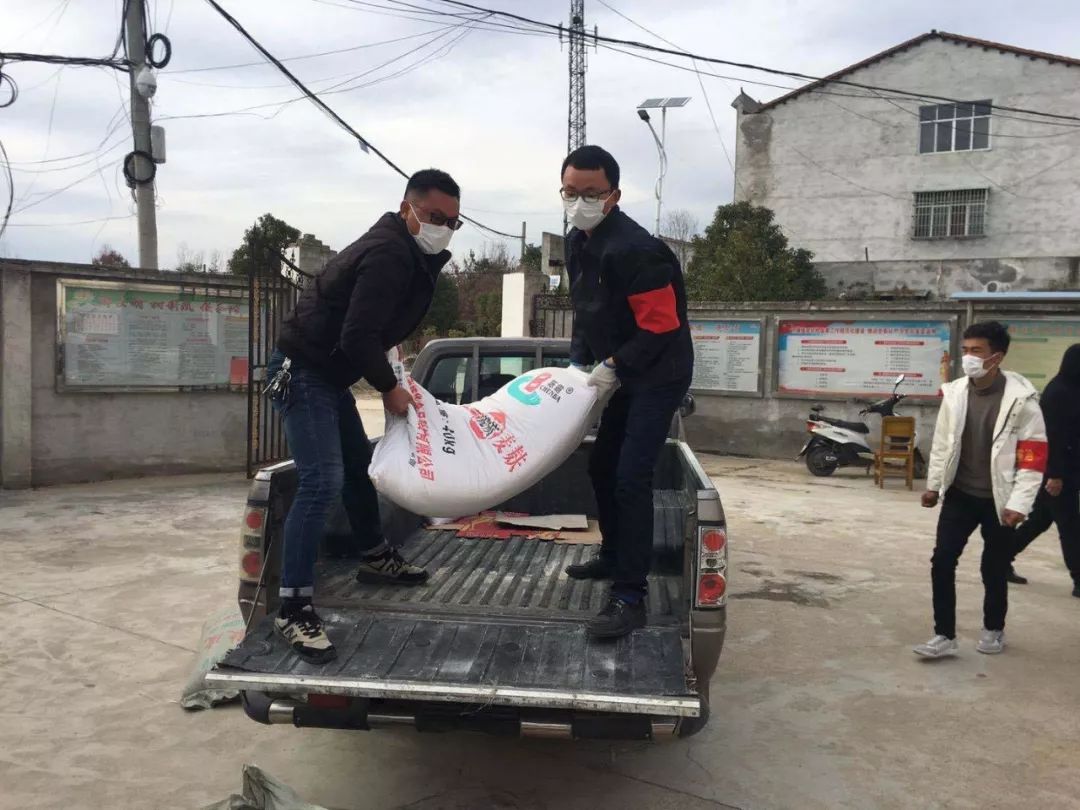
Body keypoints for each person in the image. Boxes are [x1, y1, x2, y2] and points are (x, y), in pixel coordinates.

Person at [267, 169, 461, 663]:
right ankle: (293, 606)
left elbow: (372, 327)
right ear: (407, 208)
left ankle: (375, 557)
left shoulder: (409, 255)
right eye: (435, 216)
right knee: (321, 481)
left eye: (452, 222)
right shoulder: (389, 254)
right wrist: (389, 388)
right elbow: (357, 335)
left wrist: (390, 367)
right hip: (303, 370)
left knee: (357, 466)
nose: (442, 228)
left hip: (328, 374)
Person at [559, 145, 694, 640]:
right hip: (618, 368)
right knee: (602, 465)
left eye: (591, 193)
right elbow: (585, 311)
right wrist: (579, 361)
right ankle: (614, 554)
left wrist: (614, 365)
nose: (579, 202)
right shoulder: (577, 242)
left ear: (613, 195)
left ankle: (630, 595)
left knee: (631, 476)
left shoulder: (639, 251)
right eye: (570, 192)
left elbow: (660, 326)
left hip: (658, 373)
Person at [915, 321, 1047, 658]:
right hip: (960, 494)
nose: (968, 357)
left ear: (996, 357)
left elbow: (1032, 460)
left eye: (976, 351)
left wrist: (1019, 504)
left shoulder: (1023, 402)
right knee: (942, 560)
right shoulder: (956, 393)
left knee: (993, 566)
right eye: (965, 350)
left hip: (999, 501)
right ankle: (944, 634)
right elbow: (943, 443)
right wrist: (934, 486)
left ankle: (993, 628)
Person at [1009, 343, 1080, 596]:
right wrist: (1054, 475)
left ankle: (1000, 557)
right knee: (1070, 526)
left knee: (1040, 520)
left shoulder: (1073, 389)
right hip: (1057, 474)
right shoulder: (1059, 393)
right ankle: (1079, 579)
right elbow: (1052, 438)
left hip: (1067, 470)